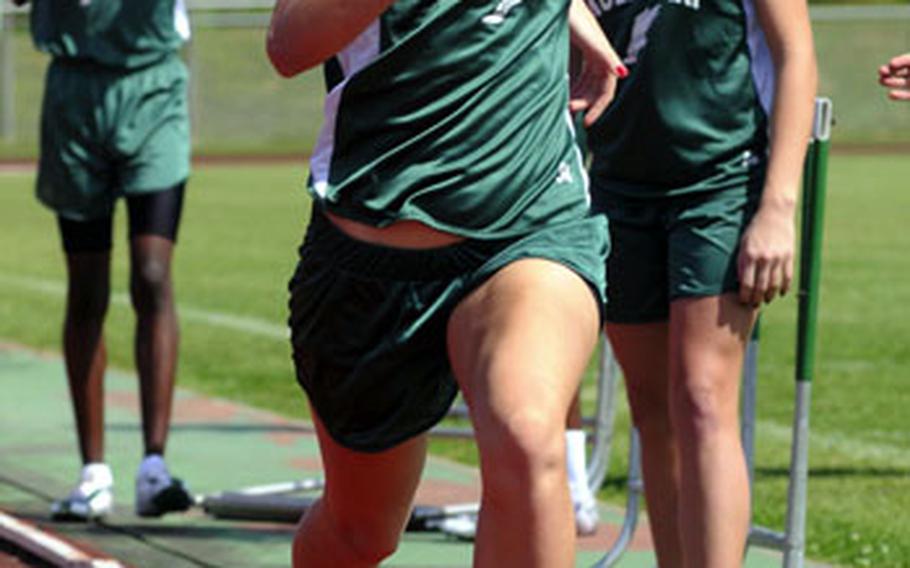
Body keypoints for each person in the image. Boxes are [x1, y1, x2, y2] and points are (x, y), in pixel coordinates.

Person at [267, 0, 624, 566]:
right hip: (373, 246)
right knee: (359, 531)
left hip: (528, 220)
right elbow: (289, 44)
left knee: (528, 438)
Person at [581, 0, 817, 566]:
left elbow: (797, 55)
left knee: (702, 397)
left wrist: (778, 207)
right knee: (653, 408)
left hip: (721, 177)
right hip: (617, 182)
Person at [18, 0, 195, 521]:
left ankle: (154, 467)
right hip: (75, 94)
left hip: (154, 85)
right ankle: (92, 472)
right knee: (87, 288)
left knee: (152, 274)